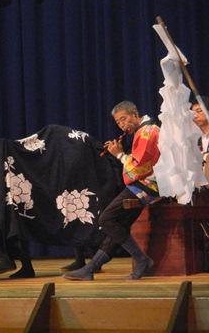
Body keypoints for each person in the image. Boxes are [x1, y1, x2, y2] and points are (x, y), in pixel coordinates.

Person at [63, 101, 160, 281]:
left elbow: (139, 168)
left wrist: (119, 155)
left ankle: (141, 259)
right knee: (117, 226)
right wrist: (121, 153)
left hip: (146, 186)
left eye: (124, 119)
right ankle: (90, 268)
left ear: (135, 113)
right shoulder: (142, 131)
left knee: (106, 219)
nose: (123, 125)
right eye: (118, 123)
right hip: (142, 185)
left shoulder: (147, 131)